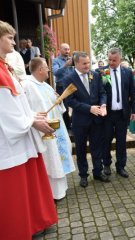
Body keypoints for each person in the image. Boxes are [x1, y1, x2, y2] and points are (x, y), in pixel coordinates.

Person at [0, 20, 57, 239]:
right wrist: (31, 122)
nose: (14, 41)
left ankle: (34, 222)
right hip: (9, 140)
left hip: (21, 133)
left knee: (28, 184)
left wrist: (33, 116)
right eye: (9, 37)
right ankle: (18, 230)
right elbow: (5, 110)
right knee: (16, 191)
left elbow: (18, 103)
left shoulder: (6, 67)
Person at [21, 57, 75, 200]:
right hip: (41, 130)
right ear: (39, 70)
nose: (49, 70)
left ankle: (60, 191)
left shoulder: (46, 85)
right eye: (46, 68)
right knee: (49, 159)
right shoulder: (27, 85)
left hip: (56, 128)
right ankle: (50, 193)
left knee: (58, 157)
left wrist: (57, 99)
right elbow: (24, 109)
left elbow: (58, 107)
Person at [64, 51, 108, 187]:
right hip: (80, 121)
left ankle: (98, 172)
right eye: (84, 63)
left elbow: (102, 92)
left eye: (88, 63)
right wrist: (89, 108)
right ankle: (83, 175)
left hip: (96, 120)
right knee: (81, 149)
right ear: (76, 63)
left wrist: (103, 104)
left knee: (97, 147)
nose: (87, 65)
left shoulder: (94, 75)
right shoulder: (69, 78)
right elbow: (70, 101)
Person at [102, 47, 135, 178]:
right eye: (109, 60)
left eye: (114, 60)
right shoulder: (101, 72)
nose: (111, 62)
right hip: (107, 115)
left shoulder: (127, 72)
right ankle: (106, 164)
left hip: (122, 114)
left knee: (121, 142)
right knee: (106, 140)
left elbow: (133, 93)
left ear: (120, 59)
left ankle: (121, 166)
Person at [52, 43, 74, 129]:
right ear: (60, 50)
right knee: (63, 107)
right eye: (65, 49)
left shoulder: (72, 60)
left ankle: (73, 124)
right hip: (61, 86)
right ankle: (67, 127)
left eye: (68, 49)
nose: (67, 51)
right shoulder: (56, 61)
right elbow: (55, 72)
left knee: (75, 105)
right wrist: (65, 65)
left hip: (72, 86)